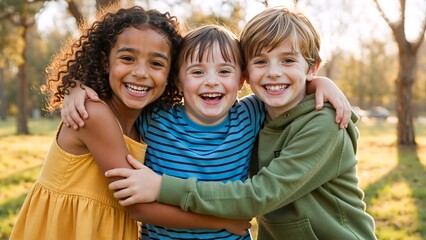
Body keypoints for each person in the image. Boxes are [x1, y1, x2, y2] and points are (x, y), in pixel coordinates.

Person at [104, 6, 377, 240]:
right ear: (248, 73)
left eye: (288, 60)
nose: (273, 72)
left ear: (239, 79)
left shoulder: (321, 123)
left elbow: (259, 195)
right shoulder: (256, 112)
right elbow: (119, 99)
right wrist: (77, 91)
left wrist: (162, 187)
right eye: (261, 61)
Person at [9, 6, 251, 240]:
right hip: (68, 230)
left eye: (156, 63)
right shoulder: (93, 114)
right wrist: (221, 221)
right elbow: (137, 208)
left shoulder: (148, 121)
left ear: (171, 75)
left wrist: (76, 86)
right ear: (106, 61)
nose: (141, 73)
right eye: (127, 58)